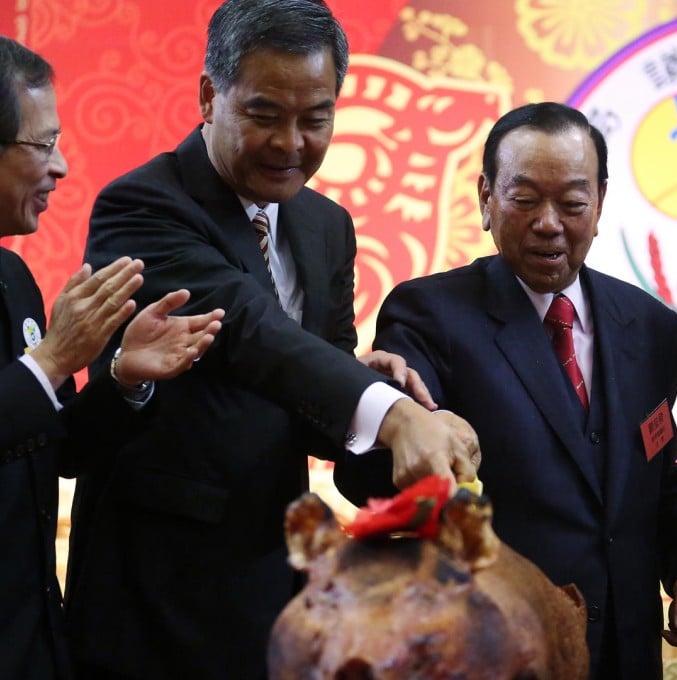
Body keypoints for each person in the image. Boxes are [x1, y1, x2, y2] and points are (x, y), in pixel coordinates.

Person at [62, 1, 480, 678]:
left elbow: (307, 403)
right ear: (208, 96)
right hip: (156, 598)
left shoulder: (324, 226)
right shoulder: (142, 206)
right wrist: (386, 411)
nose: (291, 143)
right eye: (265, 115)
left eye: (315, 118)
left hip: (277, 584)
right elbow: (250, 332)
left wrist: (390, 401)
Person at [342, 101, 677, 679]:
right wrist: (379, 403)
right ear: (486, 199)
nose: (550, 223)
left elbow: (656, 471)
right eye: (525, 200)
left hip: (624, 650)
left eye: (572, 203)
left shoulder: (650, 326)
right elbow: (378, 471)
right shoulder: (430, 314)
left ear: (598, 205)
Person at [0, 37, 224, 680]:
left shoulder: (14, 278)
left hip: (32, 641)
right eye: (41, 146)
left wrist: (123, 377)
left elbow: (57, 445)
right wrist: (48, 362)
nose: (62, 166)